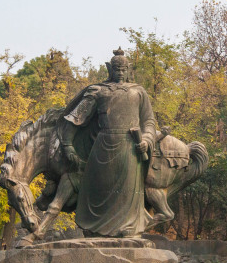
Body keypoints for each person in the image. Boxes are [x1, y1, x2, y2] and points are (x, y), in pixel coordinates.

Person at [60, 48, 158, 237]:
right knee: (99, 188)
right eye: (116, 69)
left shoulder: (139, 92)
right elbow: (76, 119)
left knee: (128, 190)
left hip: (130, 147)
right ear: (109, 69)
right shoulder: (98, 91)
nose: (120, 73)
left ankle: (128, 227)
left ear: (129, 69)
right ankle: (95, 228)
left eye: (123, 69)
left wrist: (146, 139)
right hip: (103, 147)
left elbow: (149, 121)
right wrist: (67, 144)